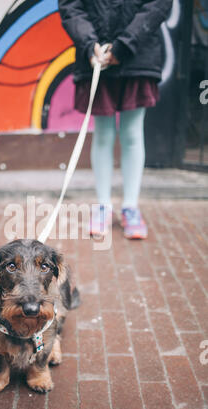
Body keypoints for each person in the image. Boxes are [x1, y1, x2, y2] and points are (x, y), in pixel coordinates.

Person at [58, 0, 173, 239]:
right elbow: (71, 7)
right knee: (104, 134)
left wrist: (124, 46)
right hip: (96, 59)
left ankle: (130, 206)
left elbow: (158, 6)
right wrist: (90, 45)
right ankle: (103, 206)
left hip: (138, 57)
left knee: (132, 133)